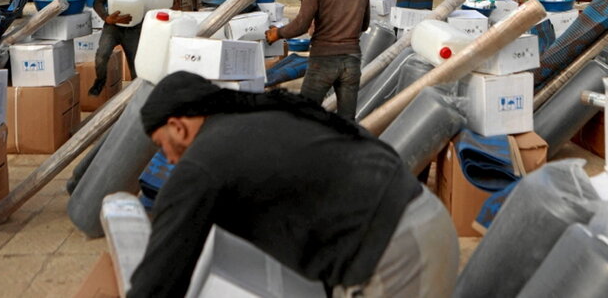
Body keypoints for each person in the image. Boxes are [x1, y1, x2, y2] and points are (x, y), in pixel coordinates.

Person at [127, 72, 459, 298]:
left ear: (178, 127)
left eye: (161, 144)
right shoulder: (254, 120)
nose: (167, 158)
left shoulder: (202, 162)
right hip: (411, 226)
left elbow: (160, 280)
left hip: (396, 251)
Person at [265, 0, 369, 120]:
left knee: (306, 116)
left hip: (324, 59)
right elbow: (364, 25)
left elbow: (300, 25)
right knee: (347, 121)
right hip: (352, 60)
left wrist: (277, 34)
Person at [89, 0, 148, 97]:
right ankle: (100, 81)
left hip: (134, 26)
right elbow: (98, 2)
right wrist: (107, 18)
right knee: (102, 55)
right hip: (113, 25)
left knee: (136, 64)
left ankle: (137, 96)